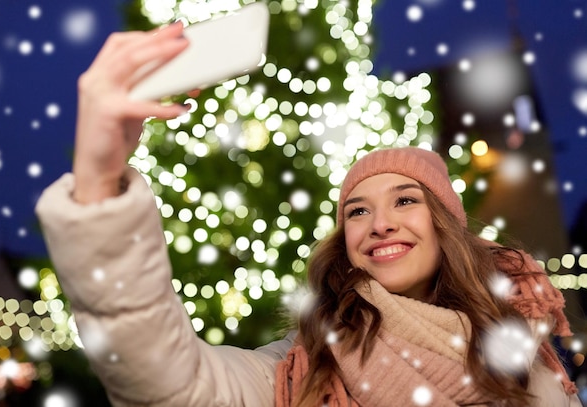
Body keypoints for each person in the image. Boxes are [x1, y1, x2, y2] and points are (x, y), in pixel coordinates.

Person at [35, 24, 582, 406]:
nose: (380, 223)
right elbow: (167, 381)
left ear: (448, 228)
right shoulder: (301, 371)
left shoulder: (525, 357)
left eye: (407, 200)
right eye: (357, 211)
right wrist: (100, 183)